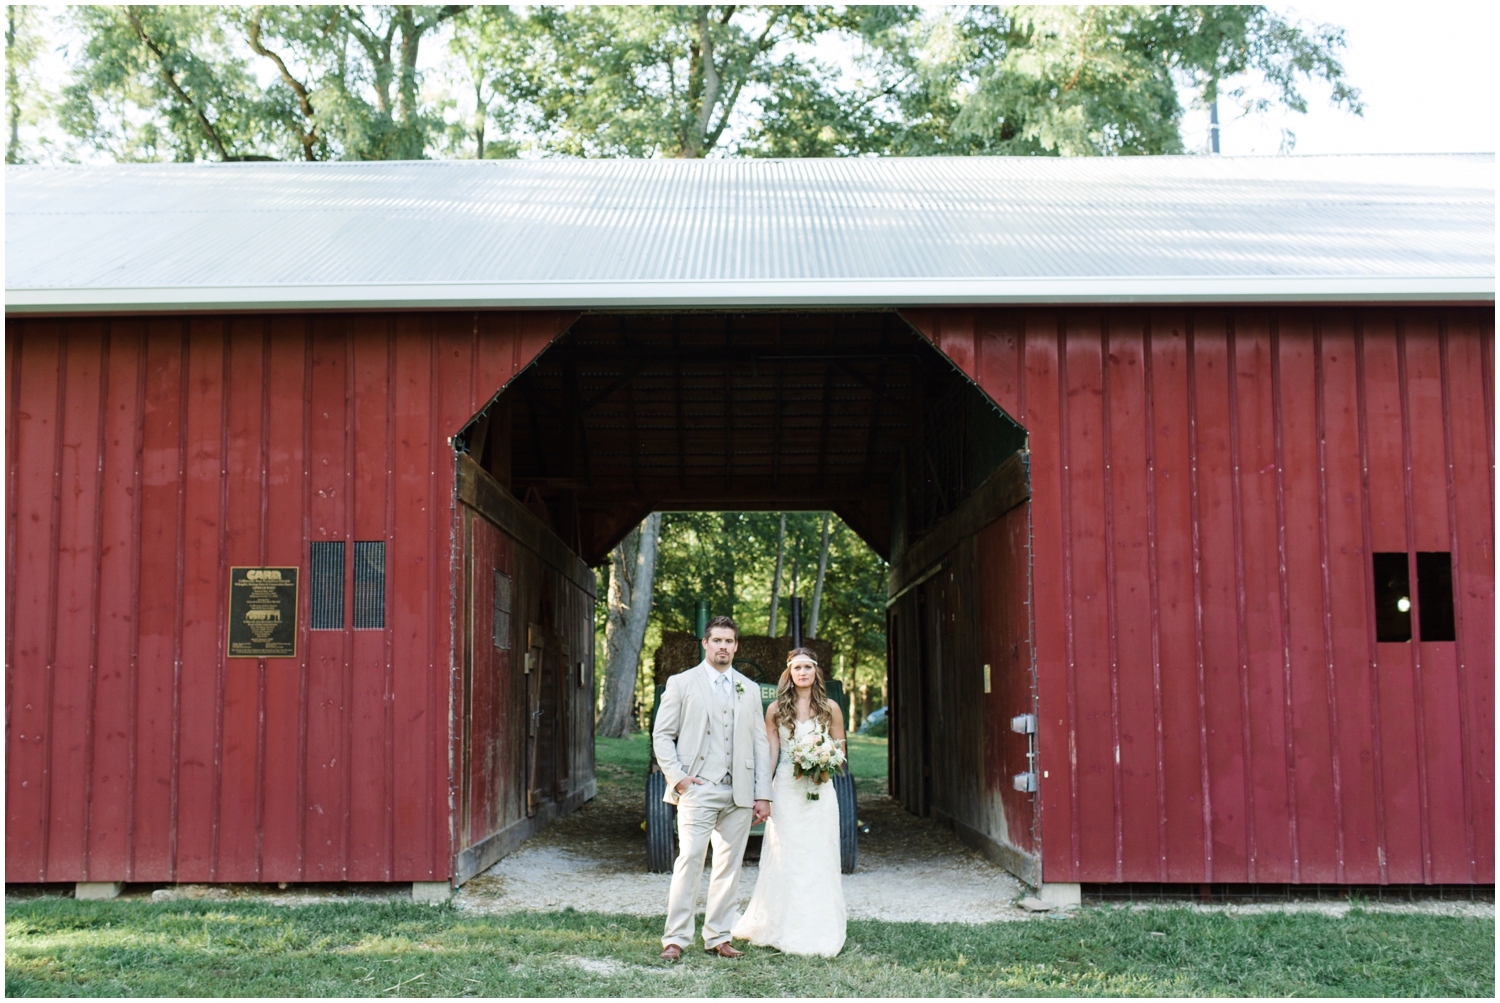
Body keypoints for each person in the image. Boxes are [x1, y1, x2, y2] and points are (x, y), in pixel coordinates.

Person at [651, 616, 773, 960]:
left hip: (739, 791)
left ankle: (719, 936)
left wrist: (762, 794)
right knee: (689, 860)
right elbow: (662, 735)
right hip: (697, 789)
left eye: (729, 641)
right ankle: (675, 938)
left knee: (729, 865)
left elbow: (760, 743)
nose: (723, 647)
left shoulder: (748, 688)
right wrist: (679, 778)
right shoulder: (681, 682)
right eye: (717, 640)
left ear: (736, 646)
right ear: (705, 644)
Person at [732, 647, 848, 957]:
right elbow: (771, 754)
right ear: (789, 673)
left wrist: (823, 762)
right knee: (786, 853)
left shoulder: (831, 708)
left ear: (815, 672)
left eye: (808, 667)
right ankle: (779, 925)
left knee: (818, 853)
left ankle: (818, 927)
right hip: (786, 787)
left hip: (820, 790)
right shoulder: (775, 711)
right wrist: (763, 792)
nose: (803, 673)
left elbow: (840, 750)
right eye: (797, 668)